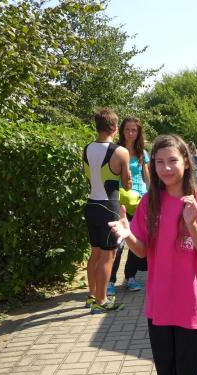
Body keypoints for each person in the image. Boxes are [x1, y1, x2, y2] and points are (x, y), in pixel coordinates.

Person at [107, 134, 197, 375]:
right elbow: (142, 251)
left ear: (186, 163)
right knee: (167, 372)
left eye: (172, 160)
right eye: (159, 162)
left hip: (192, 303)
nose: (166, 168)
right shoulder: (150, 202)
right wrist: (127, 234)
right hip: (159, 302)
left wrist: (192, 224)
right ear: (152, 166)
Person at [83, 107, 131, 313]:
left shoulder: (86, 148)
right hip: (109, 207)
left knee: (94, 253)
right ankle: (101, 301)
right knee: (108, 255)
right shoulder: (120, 152)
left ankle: (92, 295)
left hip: (91, 205)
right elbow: (126, 184)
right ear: (114, 127)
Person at [108, 117, 149, 295]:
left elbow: (147, 177)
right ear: (122, 131)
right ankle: (110, 280)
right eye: (127, 130)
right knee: (118, 242)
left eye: (134, 130)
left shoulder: (142, 153)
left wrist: (152, 196)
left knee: (135, 241)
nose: (131, 133)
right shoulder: (115, 151)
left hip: (139, 201)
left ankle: (130, 277)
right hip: (120, 202)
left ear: (138, 132)